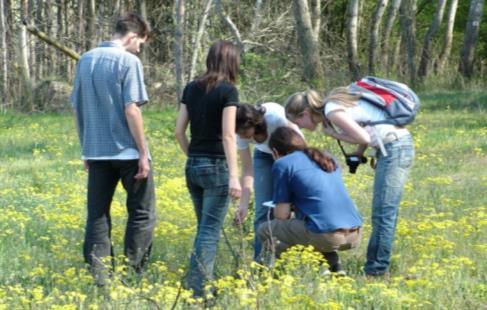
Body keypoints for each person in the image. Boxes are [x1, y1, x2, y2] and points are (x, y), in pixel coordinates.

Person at [285, 88, 414, 277]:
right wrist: (360, 153)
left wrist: (333, 135)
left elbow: (364, 137)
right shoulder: (333, 106)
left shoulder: (331, 111)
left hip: (395, 147)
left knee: (384, 213)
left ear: (304, 113)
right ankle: (378, 267)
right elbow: (366, 123)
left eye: (297, 121)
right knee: (384, 212)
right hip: (392, 147)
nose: (299, 127)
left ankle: (376, 271)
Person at [71, 13, 156, 285]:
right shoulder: (128, 61)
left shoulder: (85, 59)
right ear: (132, 37)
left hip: (96, 152)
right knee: (142, 213)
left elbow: (77, 107)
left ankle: (101, 278)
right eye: (140, 43)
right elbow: (131, 109)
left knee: (97, 215)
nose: (139, 49)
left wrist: (85, 148)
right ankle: (132, 274)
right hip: (128, 152)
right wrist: (143, 153)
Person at [175, 40, 242, 298]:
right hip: (217, 168)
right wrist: (234, 176)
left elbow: (179, 132)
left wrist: (193, 156)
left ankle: (199, 283)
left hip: (193, 166)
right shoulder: (228, 91)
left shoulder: (191, 88)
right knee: (209, 232)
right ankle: (199, 292)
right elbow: (228, 135)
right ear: (231, 62)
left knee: (203, 229)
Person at [257, 127, 362, 273]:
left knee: (265, 229)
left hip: (327, 236)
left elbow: (281, 215)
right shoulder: (325, 157)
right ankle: (334, 267)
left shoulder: (283, 164)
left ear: (275, 152)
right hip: (355, 234)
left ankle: (270, 272)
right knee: (308, 228)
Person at [234, 102, 302, 260]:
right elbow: (247, 170)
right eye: (237, 132)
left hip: (291, 153)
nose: (241, 135)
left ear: (254, 123)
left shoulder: (275, 117)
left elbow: (299, 143)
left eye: (243, 131)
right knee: (262, 212)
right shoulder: (241, 134)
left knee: (296, 208)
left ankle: (300, 258)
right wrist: (243, 204)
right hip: (263, 156)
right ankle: (261, 263)